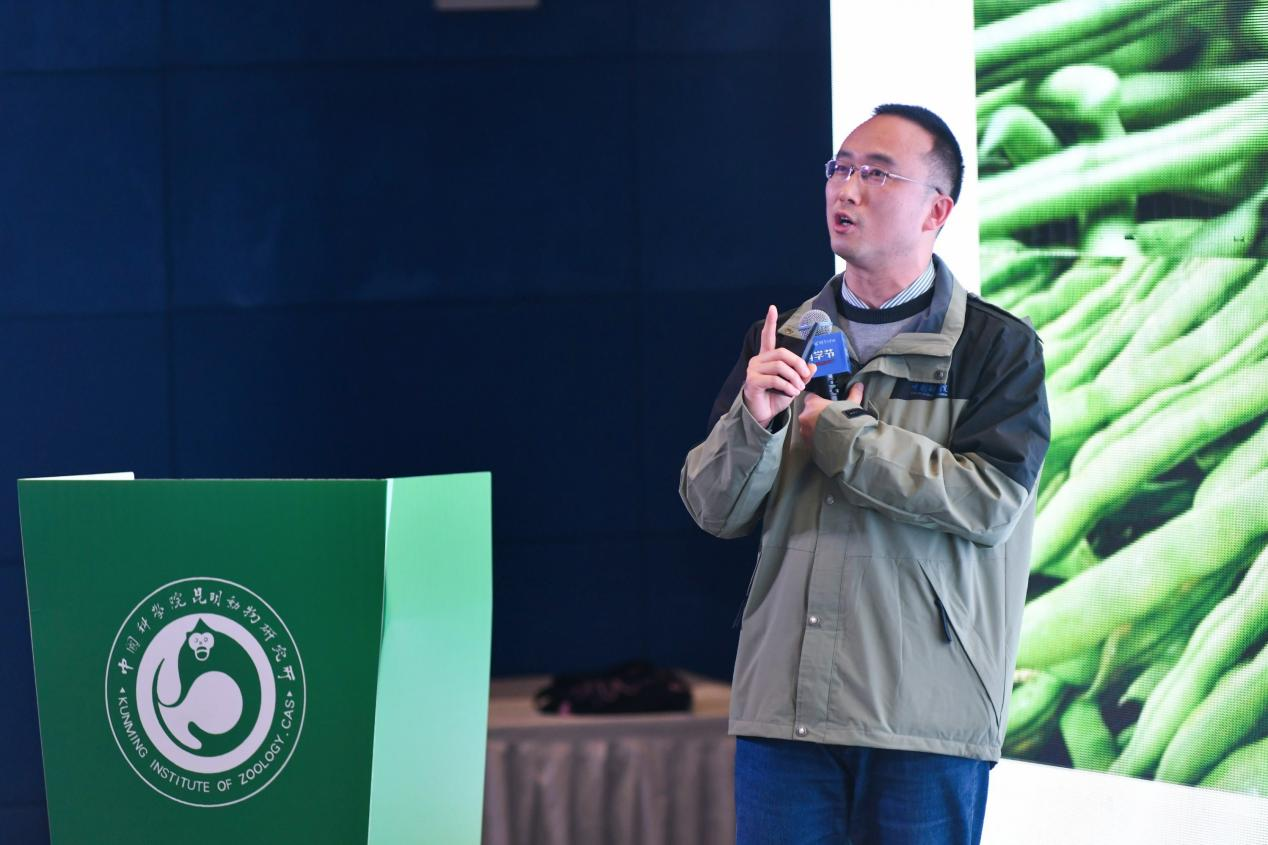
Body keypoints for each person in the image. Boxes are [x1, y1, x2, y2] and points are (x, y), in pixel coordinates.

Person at [678, 104, 1051, 844]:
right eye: (839, 169)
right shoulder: (784, 338)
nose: (846, 189)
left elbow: (990, 502)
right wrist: (756, 422)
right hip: (785, 717)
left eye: (876, 174)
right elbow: (711, 508)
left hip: (924, 721)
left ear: (936, 210)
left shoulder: (997, 346)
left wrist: (837, 433)